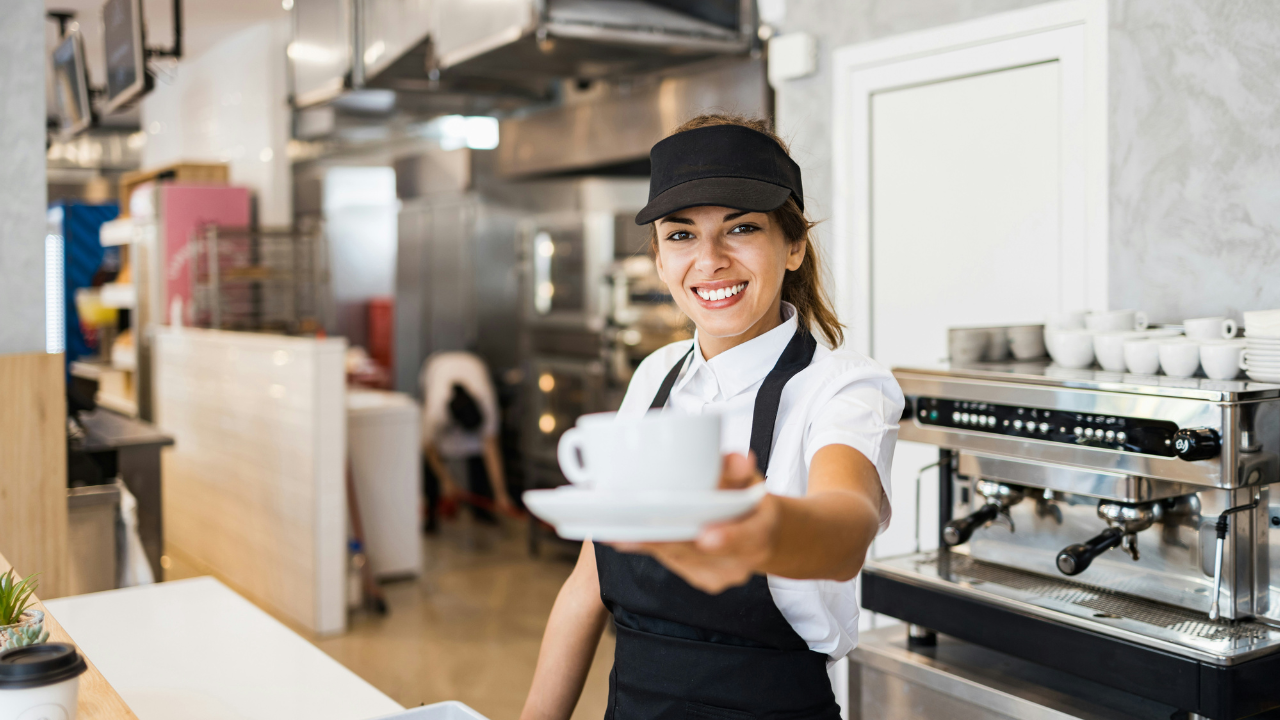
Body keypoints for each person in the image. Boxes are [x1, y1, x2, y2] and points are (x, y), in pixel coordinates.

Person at [520, 114, 904, 719]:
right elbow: (587, 584)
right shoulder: (654, 377)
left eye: (741, 228)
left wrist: (755, 527)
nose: (711, 260)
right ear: (658, 255)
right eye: (681, 235)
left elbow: (845, 528)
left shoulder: (843, 386)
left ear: (795, 245)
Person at [420, 351, 515, 531]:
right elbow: (428, 447)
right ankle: (431, 515)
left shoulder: (486, 402)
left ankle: (481, 511)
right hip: (436, 366)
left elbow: (491, 448)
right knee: (428, 468)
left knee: (478, 460)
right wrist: (446, 480)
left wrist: (500, 494)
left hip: (473, 364)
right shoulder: (435, 410)